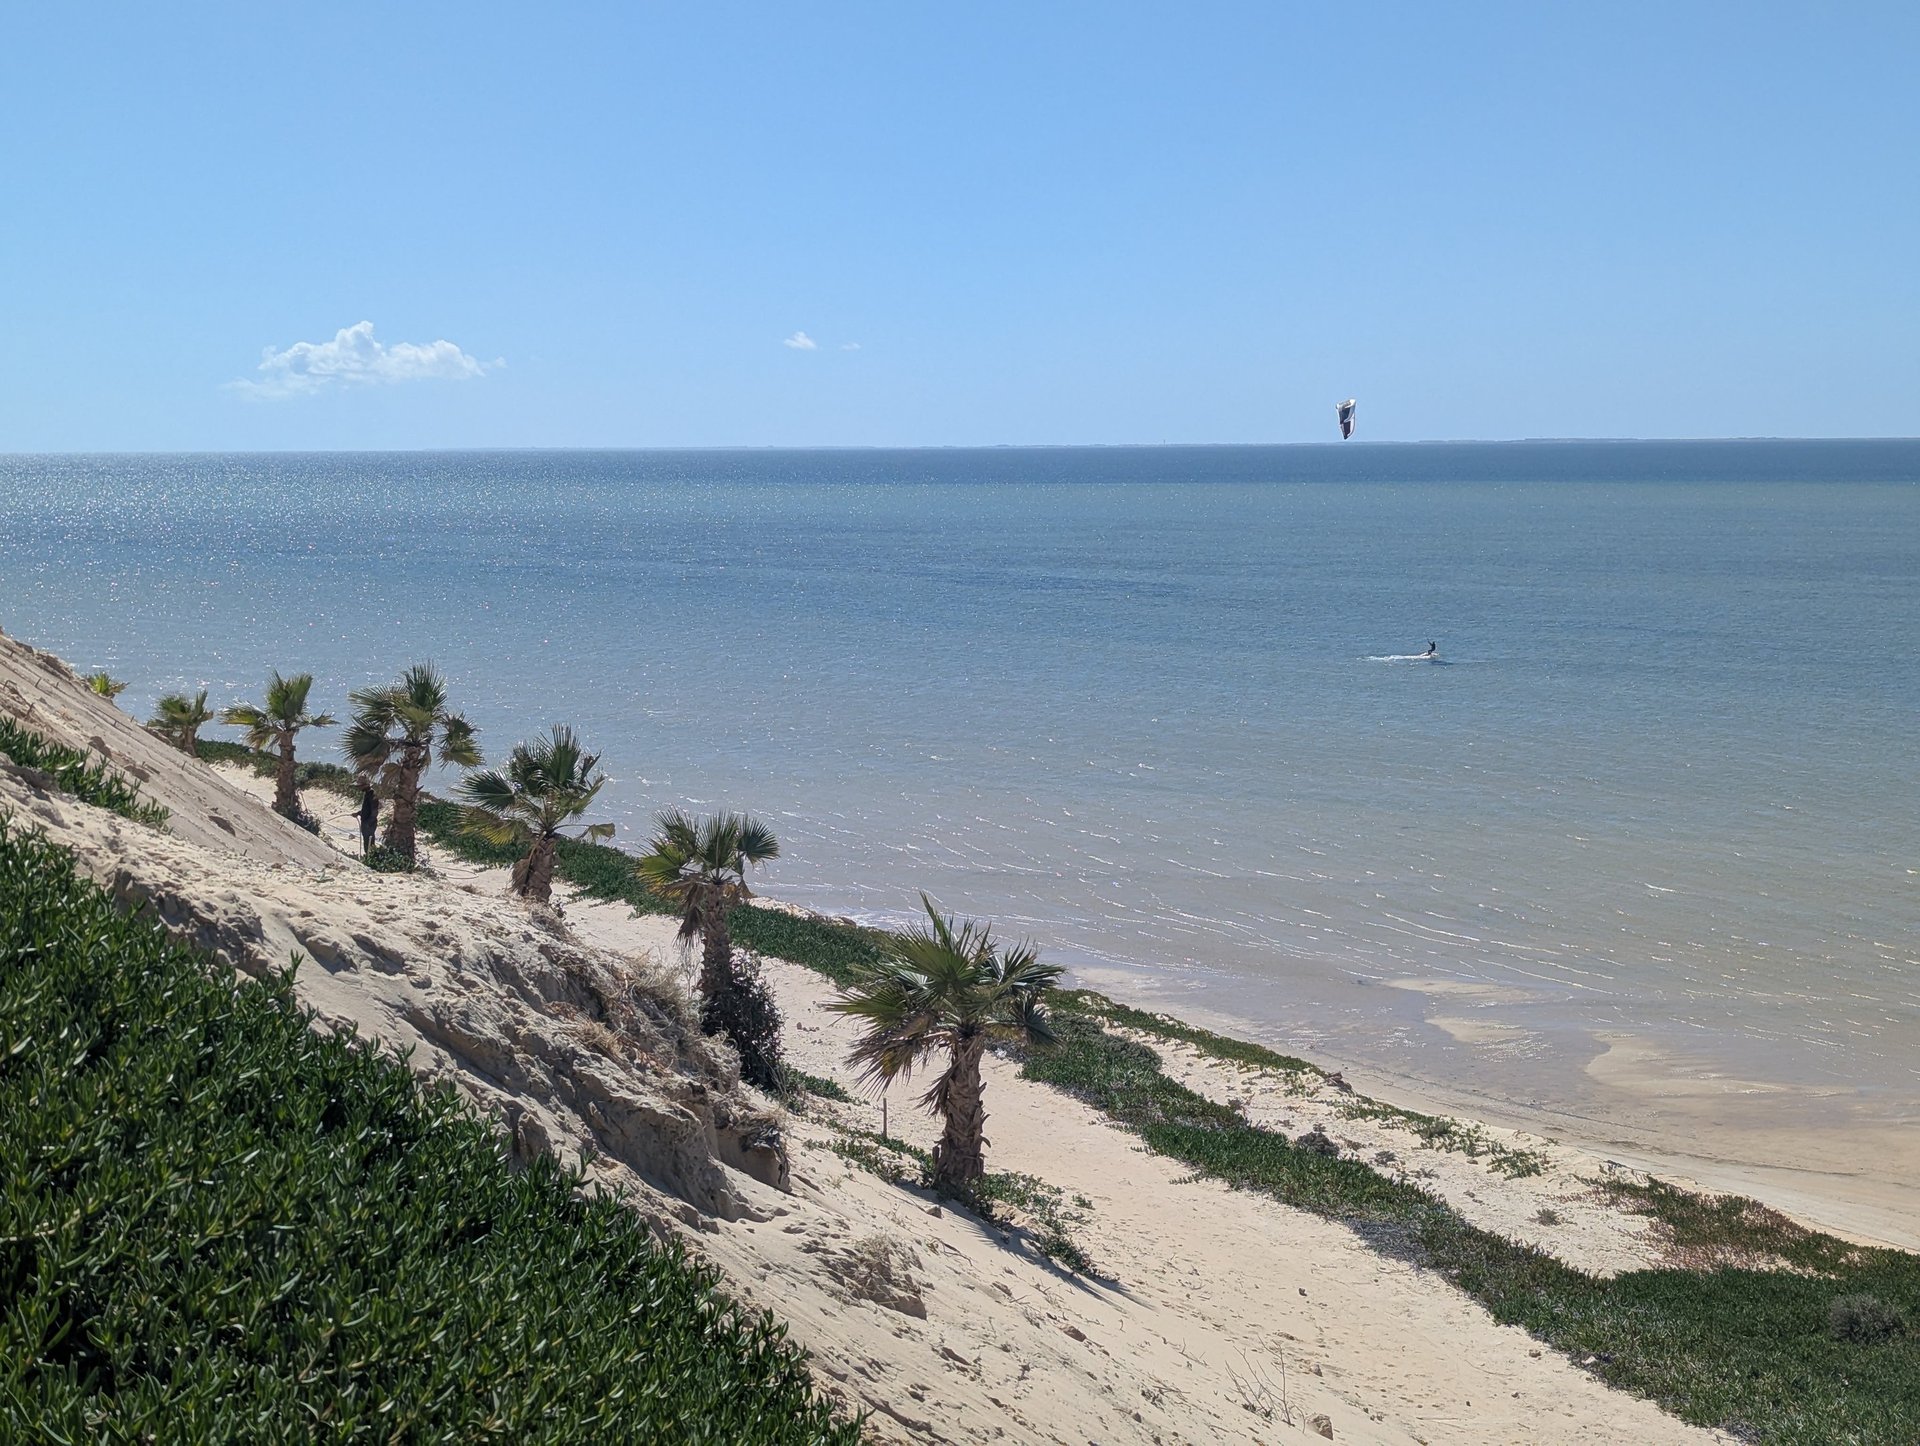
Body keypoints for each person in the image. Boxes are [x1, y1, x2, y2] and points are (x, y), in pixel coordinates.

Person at [357, 778, 380, 856]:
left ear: (365, 785)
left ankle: (371, 857)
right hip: (367, 822)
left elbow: (374, 811)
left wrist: (368, 822)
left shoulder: (372, 795)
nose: (359, 788)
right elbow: (367, 809)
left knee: (369, 841)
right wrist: (358, 813)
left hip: (369, 823)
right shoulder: (367, 794)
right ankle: (369, 856)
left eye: (360, 786)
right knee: (366, 841)